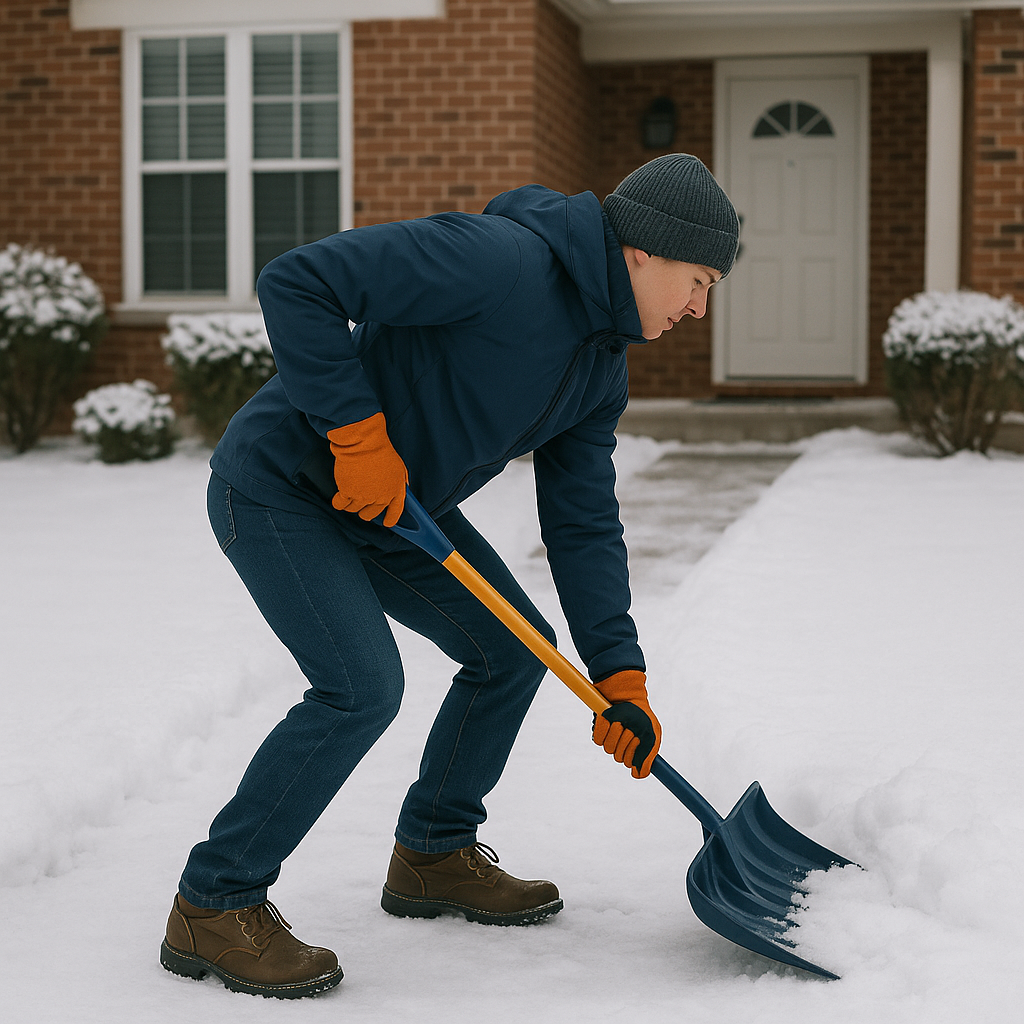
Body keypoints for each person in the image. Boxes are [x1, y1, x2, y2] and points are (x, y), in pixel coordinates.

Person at [159, 153, 739, 999]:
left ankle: (433, 852)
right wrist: (357, 435)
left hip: (395, 511)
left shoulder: (599, 366)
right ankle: (214, 902)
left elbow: (582, 523)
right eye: (698, 282)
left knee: (513, 650)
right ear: (642, 253)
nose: (699, 308)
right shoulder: (499, 261)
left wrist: (620, 673)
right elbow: (297, 281)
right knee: (360, 688)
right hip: (282, 486)